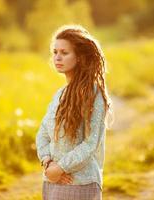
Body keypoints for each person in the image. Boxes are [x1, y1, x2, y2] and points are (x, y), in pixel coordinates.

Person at [36, 24, 112, 200]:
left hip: (82, 184)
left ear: (79, 57)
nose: (57, 57)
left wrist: (61, 167)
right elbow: (42, 133)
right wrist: (48, 163)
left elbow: (91, 143)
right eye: (55, 52)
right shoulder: (58, 95)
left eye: (64, 52)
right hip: (52, 182)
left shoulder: (94, 93)